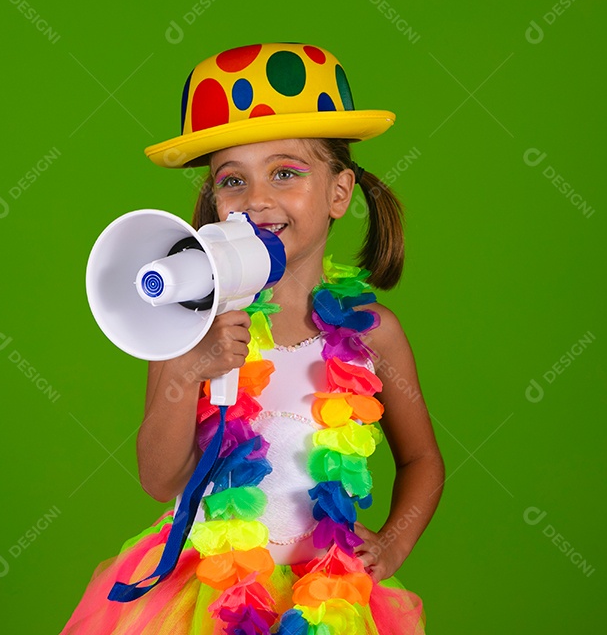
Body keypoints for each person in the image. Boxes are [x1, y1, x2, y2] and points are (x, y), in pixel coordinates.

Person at [60, 42, 444, 634]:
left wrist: (393, 544)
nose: (257, 199)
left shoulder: (375, 335)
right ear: (214, 201)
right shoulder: (186, 323)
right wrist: (191, 366)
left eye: (285, 172)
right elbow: (159, 480)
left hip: (328, 598)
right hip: (212, 594)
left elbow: (421, 459)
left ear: (339, 192)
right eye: (232, 180)